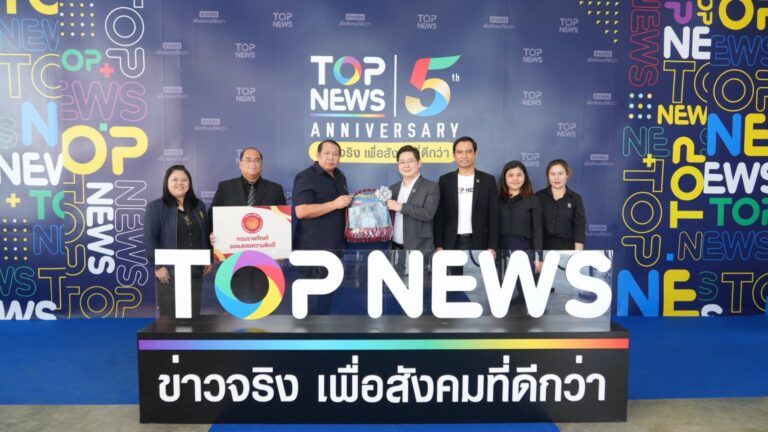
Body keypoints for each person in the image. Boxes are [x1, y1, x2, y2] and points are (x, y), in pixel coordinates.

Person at [145, 165, 212, 319]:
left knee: (193, 315)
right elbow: (150, 238)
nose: (180, 183)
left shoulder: (198, 205)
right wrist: (158, 266)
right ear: (166, 182)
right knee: (169, 318)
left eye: (184, 180)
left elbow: (205, 232)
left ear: (189, 183)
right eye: (174, 179)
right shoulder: (155, 207)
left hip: (195, 270)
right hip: (169, 271)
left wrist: (208, 257)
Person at [434, 136, 499, 267]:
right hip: (451, 243)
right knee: (453, 280)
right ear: (454, 155)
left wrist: (492, 247)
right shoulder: (445, 181)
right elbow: (440, 216)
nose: (464, 156)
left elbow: (494, 216)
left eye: (468, 151)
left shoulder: (488, 180)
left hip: (479, 242)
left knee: (477, 279)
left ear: (476, 154)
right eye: (459, 152)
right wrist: (439, 245)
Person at [208, 146, 286, 233]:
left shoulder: (275, 190)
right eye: (248, 160)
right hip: (233, 239)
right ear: (240, 164)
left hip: (265, 239)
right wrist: (214, 233)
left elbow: (282, 221)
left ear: (261, 165)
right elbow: (212, 215)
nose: (253, 164)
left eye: (257, 160)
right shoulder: (225, 188)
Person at [292, 139, 351, 250]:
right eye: (327, 153)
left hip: (338, 246)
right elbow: (301, 211)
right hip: (313, 247)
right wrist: (334, 204)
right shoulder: (305, 176)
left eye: (335, 154)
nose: (331, 157)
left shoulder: (341, 177)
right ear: (318, 155)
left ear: (339, 157)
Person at [386, 145, 440, 252]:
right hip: (395, 248)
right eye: (402, 162)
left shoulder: (431, 187)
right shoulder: (393, 188)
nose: (406, 165)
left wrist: (401, 207)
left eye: (410, 161)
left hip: (420, 249)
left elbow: (428, 214)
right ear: (398, 165)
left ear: (419, 163)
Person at [498, 160, 543, 275]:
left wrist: (539, 256)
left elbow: (537, 230)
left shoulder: (533, 200)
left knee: (523, 285)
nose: (515, 179)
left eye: (519, 175)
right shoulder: (496, 200)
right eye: (510, 175)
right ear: (504, 178)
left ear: (525, 177)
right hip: (500, 251)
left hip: (525, 250)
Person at [536, 159, 586, 251]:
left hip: (567, 249)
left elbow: (579, 227)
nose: (556, 177)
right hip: (543, 248)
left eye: (560, 173)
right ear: (548, 176)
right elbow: (535, 227)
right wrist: (537, 253)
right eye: (553, 174)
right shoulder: (538, 197)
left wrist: (577, 254)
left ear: (567, 175)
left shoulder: (575, 198)